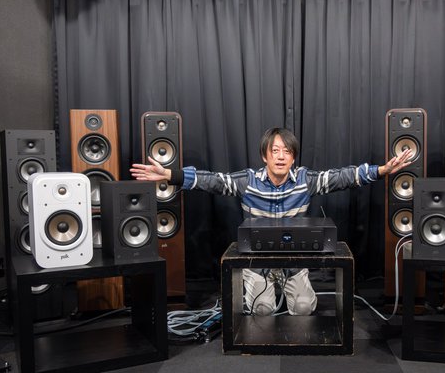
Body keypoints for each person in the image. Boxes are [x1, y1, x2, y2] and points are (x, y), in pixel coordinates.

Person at [130, 127, 413, 316]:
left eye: (287, 151)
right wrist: (171, 175)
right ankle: (261, 291)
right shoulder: (248, 181)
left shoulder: (305, 180)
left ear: (293, 157)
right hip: (257, 264)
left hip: (294, 264)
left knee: (303, 310)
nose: (280, 156)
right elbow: (213, 181)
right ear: (264, 155)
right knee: (262, 310)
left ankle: (293, 292)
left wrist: (381, 170)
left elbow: (343, 177)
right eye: (275, 150)